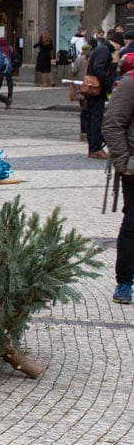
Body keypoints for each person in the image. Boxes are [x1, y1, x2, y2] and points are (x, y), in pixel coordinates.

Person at [101, 74, 134, 303]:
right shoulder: (131, 83)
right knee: (133, 224)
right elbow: (112, 124)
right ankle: (124, 282)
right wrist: (124, 163)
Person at [87, 27, 126, 159]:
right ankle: (95, 148)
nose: (119, 49)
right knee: (97, 118)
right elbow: (99, 68)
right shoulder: (104, 51)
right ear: (116, 43)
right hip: (97, 88)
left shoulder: (101, 49)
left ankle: (93, 146)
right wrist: (108, 82)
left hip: (93, 88)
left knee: (93, 117)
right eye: (119, 46)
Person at [70, 41, 93, 141]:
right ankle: (87, 132)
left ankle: (83, 132)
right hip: (90, 86)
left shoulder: (78, 60)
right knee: (87, 110)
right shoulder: (91, 59)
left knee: (84, 110)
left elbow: (74, 71)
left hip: (80, 87)